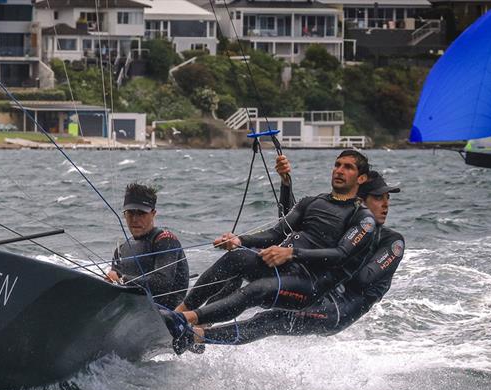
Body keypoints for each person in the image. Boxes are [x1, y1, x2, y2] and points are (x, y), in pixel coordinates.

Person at [162, 150, 376, 353]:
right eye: (337, 165)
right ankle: (179, 313)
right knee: (236, 258)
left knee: (258, 289)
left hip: (310, 285)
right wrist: (239, 240)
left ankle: (186, 322)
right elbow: (276, 233)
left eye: (348, 167)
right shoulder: (312, 202)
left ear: (361, 179)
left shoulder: (362, 218)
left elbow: (341, 254)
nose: (339, 170)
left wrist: (292, 253)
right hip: (284, 268)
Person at [193, 168, 405, 346]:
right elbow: (291, 228)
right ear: (360, 201)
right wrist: (286, 184)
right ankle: (198, 320)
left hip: (337, 308)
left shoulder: (392, 242)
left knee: (270, 320)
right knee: (244, 262)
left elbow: (362, 280)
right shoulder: (345, 225)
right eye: (378, 198)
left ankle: (197, 338)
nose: (386, 204)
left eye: (387, 199)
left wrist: (341, 252)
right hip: (315, 287)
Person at [106, 183, 189, 310]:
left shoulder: (165, 240)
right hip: (134, 314)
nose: (135, 219)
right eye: (130, 213)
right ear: (124, 214)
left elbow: (162, 283)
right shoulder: (121, 250)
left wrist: (123, 279)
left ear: (153, 213)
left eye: (141, 213)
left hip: (169, 317)